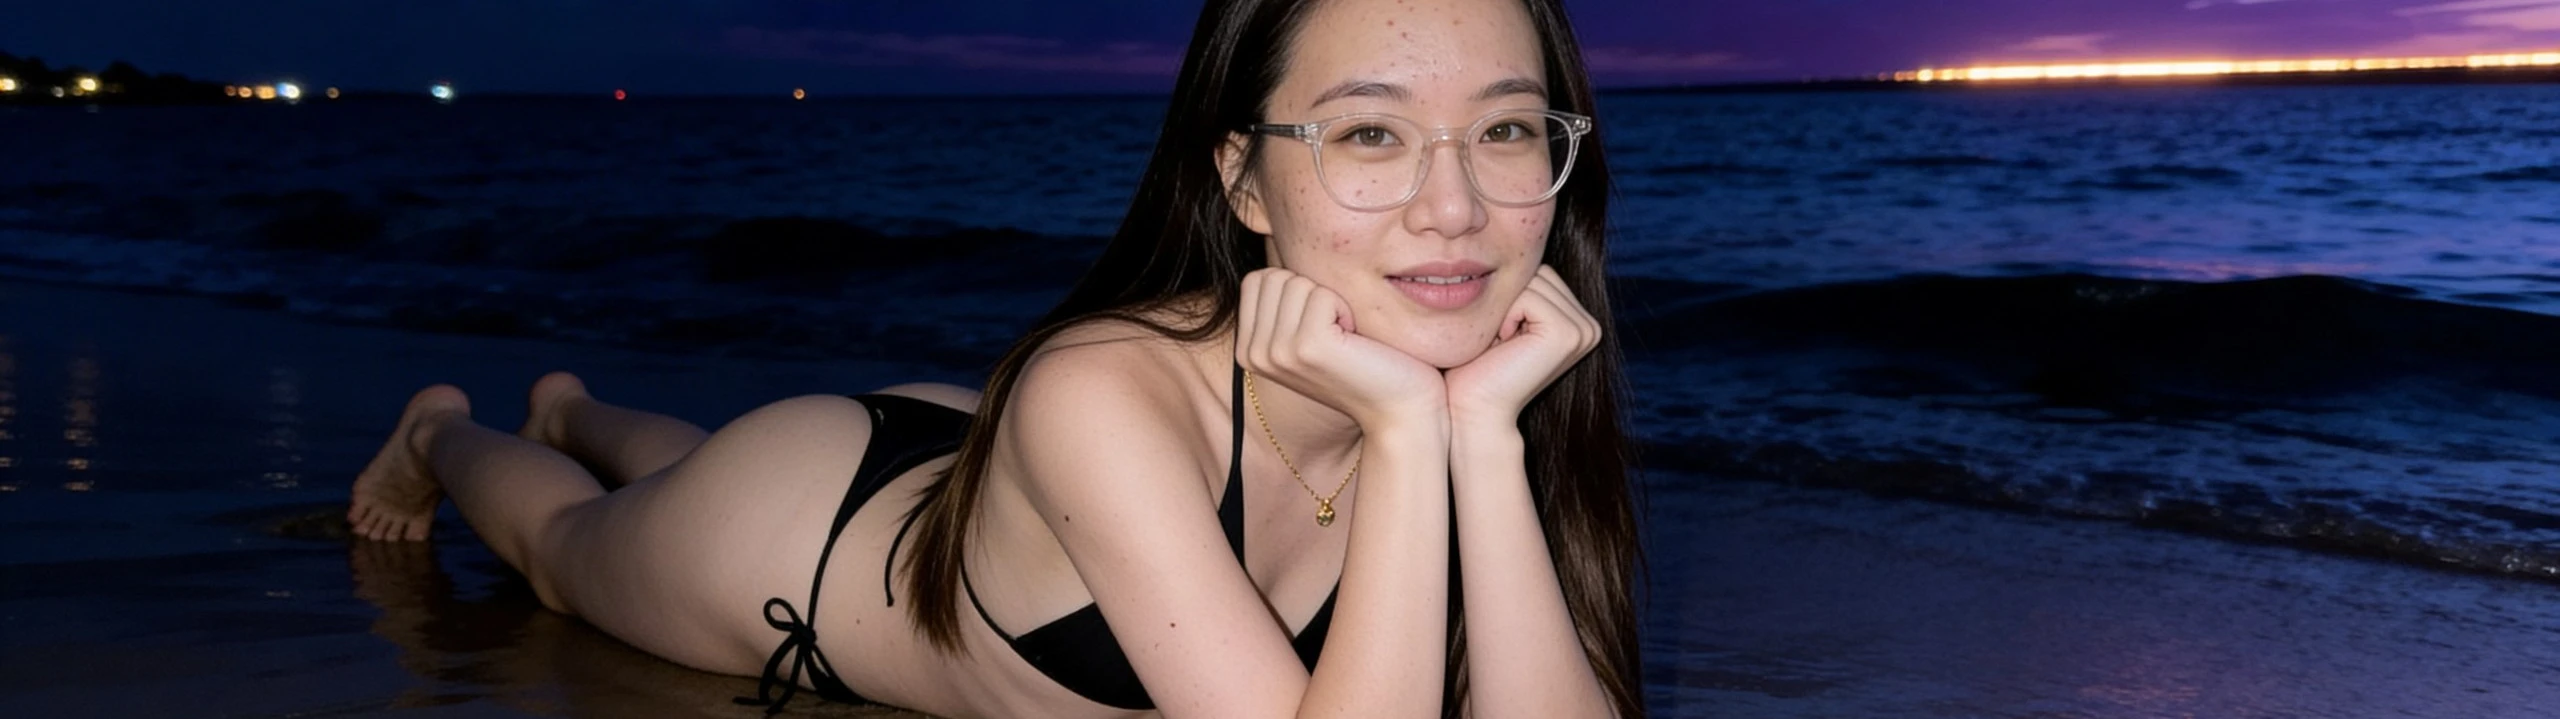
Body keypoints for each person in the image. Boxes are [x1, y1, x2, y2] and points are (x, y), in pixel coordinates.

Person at [345, 0, 1644, 716]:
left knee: (653, 461)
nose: (1454, 208)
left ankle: (576, 409)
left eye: (1506, 129)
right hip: (798, 527)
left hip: (990, 477)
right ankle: (445, 433)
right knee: (563, 548)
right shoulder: (1097, 386)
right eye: (1369, 134)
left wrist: (1479, 435)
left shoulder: (1467, 384)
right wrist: (1414, 436)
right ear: (1243, 179)